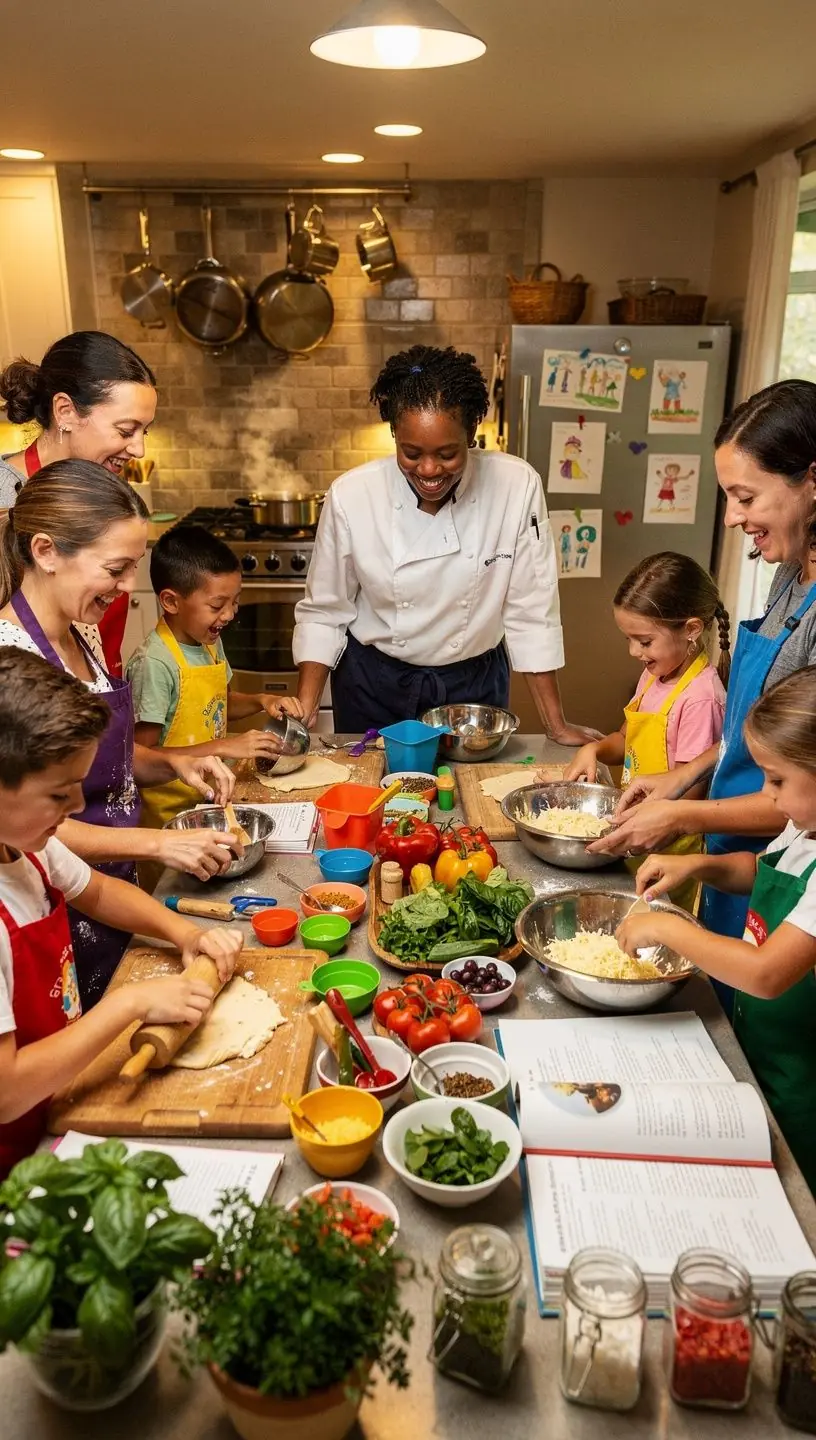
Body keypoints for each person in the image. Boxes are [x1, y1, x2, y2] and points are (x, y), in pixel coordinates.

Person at [589, 381, 816, 988]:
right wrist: (685, 775)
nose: (733, 517)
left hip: (786, 866)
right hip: (743, 857)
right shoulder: (790, 575)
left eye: (746, 496)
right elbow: (762, 731)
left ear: (812, 481)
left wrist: (681, 815)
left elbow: (800, 777)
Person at [0, 463, 238, 1005]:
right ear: (46, 551)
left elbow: (108, 763)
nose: (130, 586)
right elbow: (29, 822)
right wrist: (157, 842)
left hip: (112, 889)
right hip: (58, 903)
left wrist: (172, 762)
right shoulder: (10, 656)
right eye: (116, 568)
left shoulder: (80, 631)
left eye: (135, 567)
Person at [0, 647, 241, 1175]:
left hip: (57, 1106)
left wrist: (183, 934)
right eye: (61, 793)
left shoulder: (29, 848)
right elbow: (7, 1090)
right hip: (14, 1162)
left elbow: (101, 893)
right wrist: (127, 1005)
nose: (75, 810)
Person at [293, 344, 598, 741]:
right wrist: (305, 710)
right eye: (411, 453)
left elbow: (531, 610)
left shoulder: (516, 486)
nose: (429, 469)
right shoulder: (352, 494)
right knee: (373, 791)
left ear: (472, 433)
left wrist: (555, 725)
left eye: (448, 454)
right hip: (374, 684)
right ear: (393, 434)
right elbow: (325, 611)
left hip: (473, 688)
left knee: (468, 794)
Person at [616, 666, 816, 1191]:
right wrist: (698, 867)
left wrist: (666, 927)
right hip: (764, 1047)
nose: (768, 798)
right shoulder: (805, 828)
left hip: (804, 1081)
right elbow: (761, 872)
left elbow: (768, 973)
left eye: (777, 781)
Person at [566, 553, 729, 909]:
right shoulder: (654, 675)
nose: (633, 651)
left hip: (664, 851)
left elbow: (688, 794)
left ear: (691, 629)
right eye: (628, 639)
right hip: (631, 833)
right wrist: (593, 750)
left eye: (644, 641)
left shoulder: (700, 698)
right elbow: (626, 740)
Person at [0, 331, 158, 676]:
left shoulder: (107, 488)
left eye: (143, 431)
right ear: (65, 411)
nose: (138, 449)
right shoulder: (4, 495)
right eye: (126, 429)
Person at [128, 523, 304, 827]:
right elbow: (143, 757)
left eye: (235, 601)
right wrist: (223, 746)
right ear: (171, 602)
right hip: (171, 819)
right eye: (217, 605)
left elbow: (219, 705)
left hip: (212, 800)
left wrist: (263, 700)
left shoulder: (208, 641)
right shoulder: (154, 664)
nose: (230, 614)